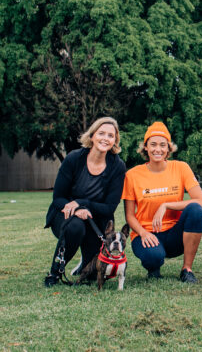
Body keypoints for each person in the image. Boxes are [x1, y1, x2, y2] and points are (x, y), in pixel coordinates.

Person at [44, 117, 127, 287]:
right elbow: (58, 198)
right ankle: (55, 272)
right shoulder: (74, 158)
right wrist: (76, 210)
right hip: (66, 215)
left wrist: (82, 203)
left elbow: (110, 207)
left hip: (97, 219)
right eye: (101, 133)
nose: (105, 138)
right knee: (76, 226)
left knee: (91, 275)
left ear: (115, 141)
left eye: (110, 135)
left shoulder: (117, 166)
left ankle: (85, 262)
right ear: (92, 136)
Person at [122, 121, 202, 283]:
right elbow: (130, 216)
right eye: (153, 144)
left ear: (168, 148)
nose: (157, 149)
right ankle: (154, 267)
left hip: (175, 234)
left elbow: (200, 201)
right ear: (145, 147)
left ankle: (187, 269)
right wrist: (143, 233)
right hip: (146, 233)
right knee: (154, 257)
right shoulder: (132, 175)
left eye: (162, 145)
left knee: (195, 209)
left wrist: (166, 205)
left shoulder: (181, 168)